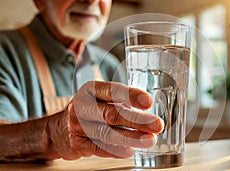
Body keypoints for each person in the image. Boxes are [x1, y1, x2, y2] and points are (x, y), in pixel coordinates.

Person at [0, 0, 164, 162]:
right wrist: (52, 135)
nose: (91, 1)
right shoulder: (4, 51)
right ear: (39, 1)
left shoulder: (109, 64)